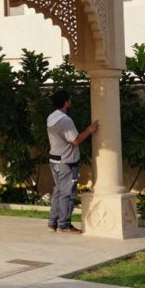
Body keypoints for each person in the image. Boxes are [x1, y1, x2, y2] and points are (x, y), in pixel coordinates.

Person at [47, 90, 98, 233]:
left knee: (58, 190)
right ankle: (64, 224)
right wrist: (89, 130)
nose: (70, 101)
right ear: (66, 102)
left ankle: (53, 222)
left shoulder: (51, 117)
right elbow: (75, 140)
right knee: (67, 193)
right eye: (69, 99)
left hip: (55, 160)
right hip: (67, 161)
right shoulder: (65, 120)